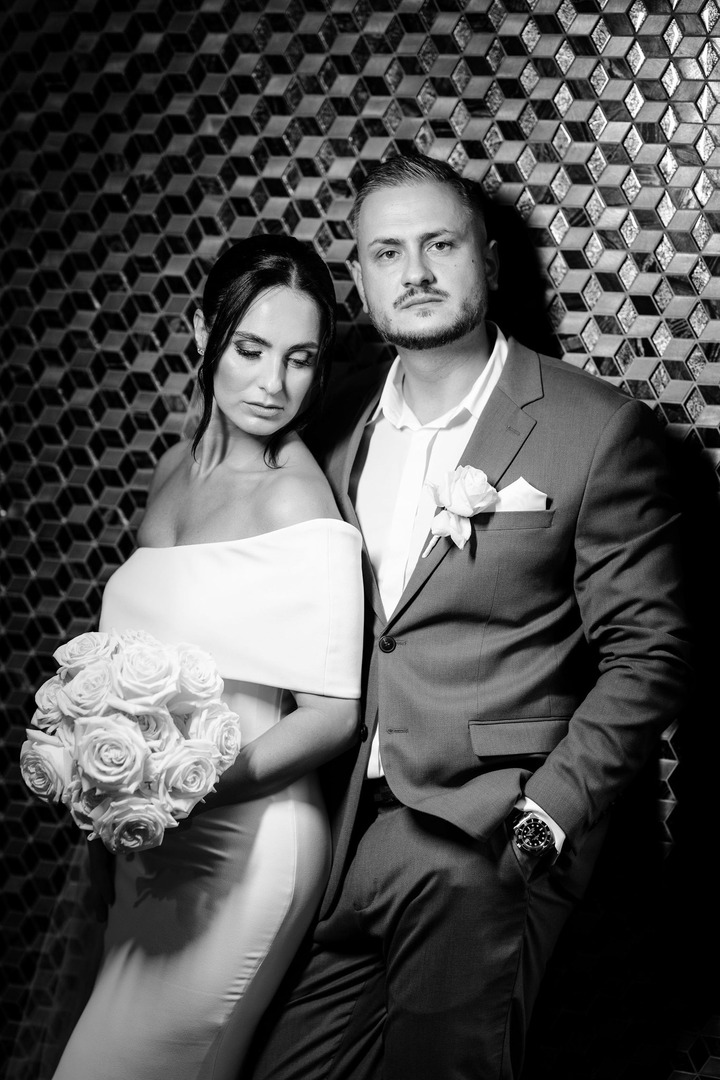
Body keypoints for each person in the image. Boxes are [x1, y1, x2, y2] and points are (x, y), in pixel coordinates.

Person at [246, 154, 691, 1080]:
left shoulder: (595, 428)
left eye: (438, 244)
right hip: (332, 834)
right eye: (386, 252)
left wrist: (540, 829)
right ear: (360, 278)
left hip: (483, 837)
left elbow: (649, 656)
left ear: (486, 260)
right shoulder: (326, 426)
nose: (413, 272)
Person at [50, 234, 364, 1080]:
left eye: (300, 360)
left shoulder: (297, 494)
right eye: (250, 349)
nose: (273, 385)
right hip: (149, 845)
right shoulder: (172, 472)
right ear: (201, 335)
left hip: (248, 845)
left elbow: (336, 716)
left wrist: (178, 782)